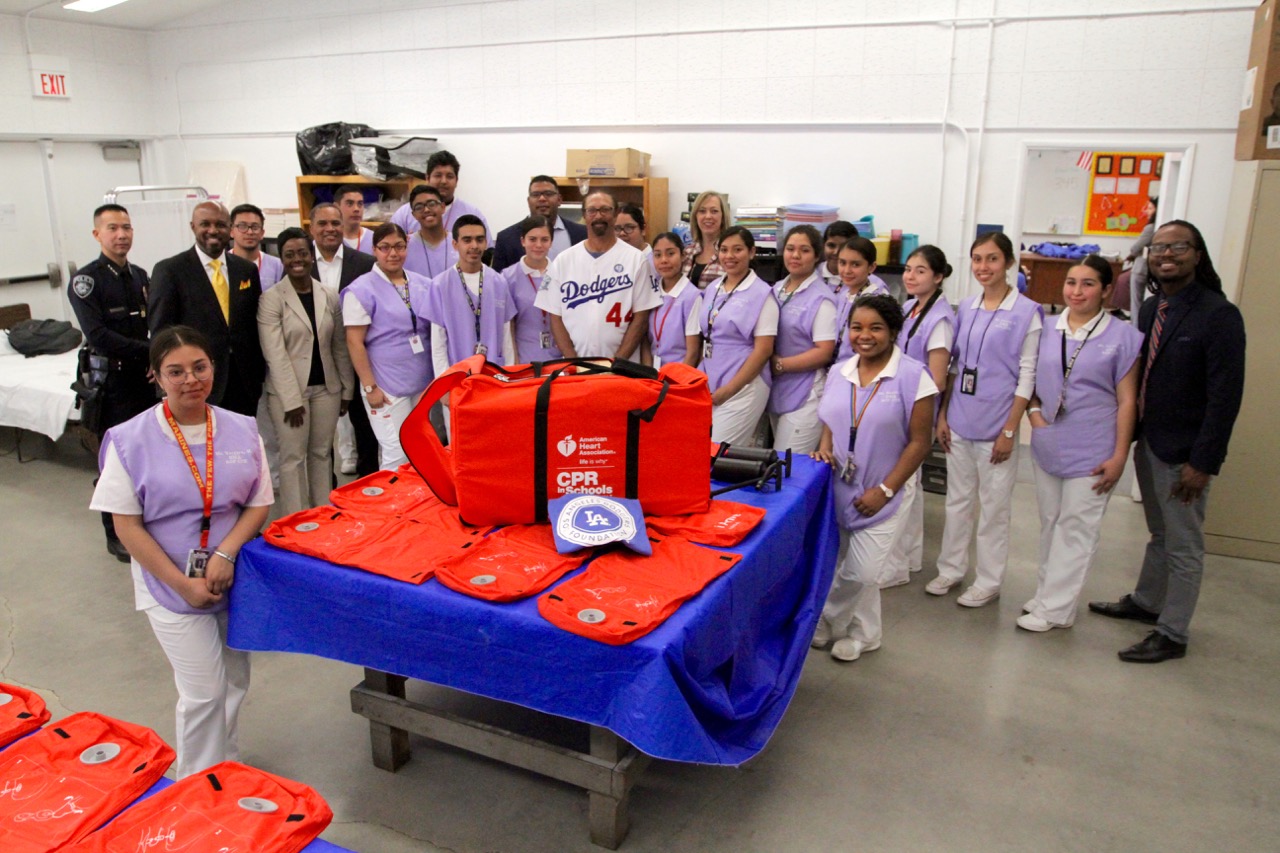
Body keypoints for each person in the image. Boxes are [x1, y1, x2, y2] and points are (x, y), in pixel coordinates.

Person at [89, 325, 272, 779]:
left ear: (213, 367)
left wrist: (226, 554)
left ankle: (226, 766)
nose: (190, 379)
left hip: (230, 576)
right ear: (155, 376)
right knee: (204, 691)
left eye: (199, 367)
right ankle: (196, 785)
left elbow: (258, 501)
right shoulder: (130, 440)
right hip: (166, 582)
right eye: (175, 371)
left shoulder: (241, 428)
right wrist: (181, 583)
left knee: (233, 681)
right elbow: (125, 525)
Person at [1088, 221, 1246, 663]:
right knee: (1160, 532)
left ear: (1197, 254)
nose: (1165, 254)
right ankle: (1147, 601)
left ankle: (1173, 632)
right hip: (1150, 441)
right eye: (1158, 248)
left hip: (1186, 453)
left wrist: (1204, 461)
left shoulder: (1219, 315)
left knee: (1184, 543)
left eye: (1178, 246)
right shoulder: (1152, 308)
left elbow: (1225, 398)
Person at [810, 294, 938, 661]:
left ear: (894, 331)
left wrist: (885, 490)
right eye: (856, 327)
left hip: (886, 488)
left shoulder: (915, 377)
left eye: (876, 328)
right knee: (843, 563)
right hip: (839, 485)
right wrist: (824, 447)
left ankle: (823, 618)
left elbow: (919, 442)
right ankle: (866, 634)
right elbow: (832, 420)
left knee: (862, 571)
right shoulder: (840, 371)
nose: (864, 336)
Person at [1018, 256, 1141, 632]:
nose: (1076, 291)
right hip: (1049, 442)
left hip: (1094, 448)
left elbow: (1128, 401)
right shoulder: (1047, 327)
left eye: (1088, 284)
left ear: (1106, 290)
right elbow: (1031, 379)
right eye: (1071, 282)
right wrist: (1035, 418)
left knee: (1077, 527)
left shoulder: (1123, 337)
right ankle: (1047, 595)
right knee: (1051, 523)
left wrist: (1120, 456)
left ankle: (1056, 610)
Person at [927, 232, 1043, 606]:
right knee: (957, 502)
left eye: (992, 259)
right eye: (977, 259)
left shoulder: (1027, 312)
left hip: (998, 427)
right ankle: (951, 569)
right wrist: (943, 415)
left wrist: (1010, 430)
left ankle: (989, 580)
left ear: (1008, 263)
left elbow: (1027, 377)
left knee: (994, 509)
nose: (983, 267)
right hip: (960, 420)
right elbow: (956, 367)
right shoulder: (968, 307)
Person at [68, 203, 154, 562]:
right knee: (115, 462)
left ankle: (145, 526)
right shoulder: (87, 282)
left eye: (127, 228)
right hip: (113, 383)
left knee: (146, 456)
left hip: (143, 380)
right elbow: (99, 336)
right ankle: (114, 533)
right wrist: (150, 352)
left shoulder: (139, 275)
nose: (122, 235)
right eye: (113, 228)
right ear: (97, 234)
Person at [257, 228, 353, 516]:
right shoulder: (271, 299)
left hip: (326, 389)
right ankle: (297, 518)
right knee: (293, 458)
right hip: (290, 393)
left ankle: (322, 514)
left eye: (302, 253)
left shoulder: (329, 295)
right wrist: (291, 400)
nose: (297, 259)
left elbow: (339, 346)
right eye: (290, 254)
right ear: (282, 259)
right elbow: (275, 353)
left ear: (311, 256)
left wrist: (346, 389)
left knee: (322, 454)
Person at [880, 245, 957, 589]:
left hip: (915, 407)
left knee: (904, 485)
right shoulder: (910, 308)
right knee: (910, 486)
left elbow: (937, 379)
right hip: (901, 401)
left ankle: (895, 566)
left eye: (920, 271)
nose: (910, 276)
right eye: (908, 269)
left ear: (939, 277)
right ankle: (908, 557)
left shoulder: (939, 319)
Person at [149, 201, 264, 417]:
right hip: (193, 382)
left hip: (244, 380)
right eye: (205, 224)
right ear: (193, 226)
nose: (213, 230)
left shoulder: (245, 269)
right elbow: (161, 331)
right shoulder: (170, 270)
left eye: (220, 225)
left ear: (229, 228)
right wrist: (165, 380)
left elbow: (253, 323)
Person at [342, 223, 433, 470]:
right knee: (397, 454)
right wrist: (370, 386)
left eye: (399, 246)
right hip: (385, 386)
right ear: (374, 250)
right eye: (385, 247)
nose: (393, 253)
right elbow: (354, 342)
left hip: (422, 383)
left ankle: (416, 507)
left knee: (421, 451)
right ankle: (391, 508)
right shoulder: (361, 290)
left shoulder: (423, 283)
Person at [535, 190, 659, 360]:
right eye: (592, 210)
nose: (598, 216)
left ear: (615, 214)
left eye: (605, 210)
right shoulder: (563, 260)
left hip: (624, 367)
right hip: (576, 367)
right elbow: (555, 317)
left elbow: (641, 318)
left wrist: (617, 362)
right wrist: (573, 361)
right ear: (584, 215)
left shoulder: (636, 259)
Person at [308, 202, 376, 477]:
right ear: (311, 228)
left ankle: (369, 485)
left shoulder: (364, 263)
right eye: (322, 223)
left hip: (356, 356)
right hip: (314, 360)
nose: (330, 229)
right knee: (320, 437)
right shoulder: (299, 262)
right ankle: (326, 490)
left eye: (335, 223)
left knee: (365, 429)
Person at [696, 226, 776, 446]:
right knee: (700, 450)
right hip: (711, 380)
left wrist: (729, 390)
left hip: (744, 385)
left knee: (718, 454)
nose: (729, 256)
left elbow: (763, 350)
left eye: (737, 249)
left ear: (751, 252)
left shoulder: (762, 294)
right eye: (724, 250)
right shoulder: (713, 288)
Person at [768, 225, 837, 453]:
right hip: (776, 390)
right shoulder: (776, 289)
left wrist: (780, 364)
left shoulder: (822, 299)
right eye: (790, 249)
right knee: (775, 462)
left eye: (804, 250)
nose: (795, 255)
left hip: (805, 393)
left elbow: (824, 351)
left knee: (788, 470)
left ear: (817, 255)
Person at [491, 175, 587, 272]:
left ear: (559, 199)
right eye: (536, 194)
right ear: (528, 202)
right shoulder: (506, 238)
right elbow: (499, 282)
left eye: (548, 194)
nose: (542, 199)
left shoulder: (581, 234)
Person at [390, 150, 490, 239]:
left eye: (449, 176)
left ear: (456, 181)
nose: (443, 181)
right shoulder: (404, 215)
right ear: (427, 178)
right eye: (438, 175)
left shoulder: (472, 214)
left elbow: (486, 252)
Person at [502, 214, 561, 364]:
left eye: (544, 239)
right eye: (532, 239)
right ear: (523, 241)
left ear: (551, 242)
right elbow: (508, 326)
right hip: (523, 359)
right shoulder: (508, 277)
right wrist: (513, 362)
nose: (539, 245)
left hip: (559, 359)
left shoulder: (562, 273)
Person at [642, 231, 702, 368]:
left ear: (683, 256)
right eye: (657, 255)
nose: (664, 260)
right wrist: (649, 375)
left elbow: (693, 352)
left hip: (678, 377)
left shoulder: (692, 297)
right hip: (653, 375)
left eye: (670, 253)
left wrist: (677, 384)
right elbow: (645, 340)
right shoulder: (651, 291)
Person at [831, 237, 889, 364]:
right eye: (842, 263)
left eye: (855, 264)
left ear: (871, 267)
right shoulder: (843, 294)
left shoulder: (877, 299)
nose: (847, 270)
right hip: (838, 367)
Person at [403, 184, 458, 282]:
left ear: (442, 207)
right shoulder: (405, 246)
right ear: (414, 215)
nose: (426, 210)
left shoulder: (459, 243)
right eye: (419, 207)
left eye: (432, 204)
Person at [681, 190, 730, 289]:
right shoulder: (687, 252)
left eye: (714, 211)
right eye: (702, 211)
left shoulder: (730, 253)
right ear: (696, 216)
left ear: (723, 216)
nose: (708, 216)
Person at [229, 204, 284, 290]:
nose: (250, 232)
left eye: (255, 227)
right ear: (231, 231)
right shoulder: (222, 264)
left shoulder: (277, 265)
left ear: (262, 233)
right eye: (242, 226)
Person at [1123, 196, 1157, 323]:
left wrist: (1131, 254)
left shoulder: (1151, 228)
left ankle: (1136, 329)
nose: (1147, 211)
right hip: (1147, 268)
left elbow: (1135, 248)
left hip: (1141, 268)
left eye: (1150, 208)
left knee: (1136, 304)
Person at [334, 186, 374, 254]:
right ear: (336, 207)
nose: (356, 209)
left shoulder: (374, 239)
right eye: (350, 203)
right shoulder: (327, 240)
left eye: (360, 204)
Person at [820, 220, 857, 291]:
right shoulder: (811, 274)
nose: (836, 252)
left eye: (842, 247)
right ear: (823, 245)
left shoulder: (869, 284)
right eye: (831, 245)